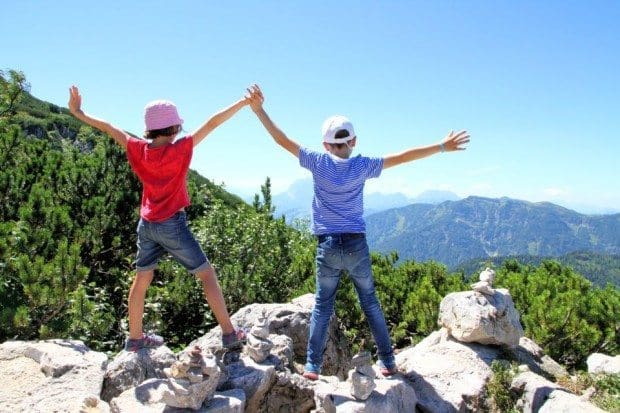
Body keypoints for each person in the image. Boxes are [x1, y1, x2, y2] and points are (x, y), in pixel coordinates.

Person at [247, 84, 469, 380]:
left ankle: (312, 367)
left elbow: (280, 139)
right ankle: (388, 362)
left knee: (322, 307)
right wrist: (442, 146)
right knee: (370, 303)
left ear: (325, 145)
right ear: (354, 141)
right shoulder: (363, 166)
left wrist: (259, 109)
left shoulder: (317, 161)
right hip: (356, 245)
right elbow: (404, 156)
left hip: (327, 246)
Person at [68, 85, 254, 352]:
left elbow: (109, 127)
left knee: (142, 278)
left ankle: (135, 339)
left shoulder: (137, 148)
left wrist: (78, 112)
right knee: (207, 275)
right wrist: (242, 102)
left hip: (147, 224)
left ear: (149, 128)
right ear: (175, 128)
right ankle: (229, 333)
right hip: (172, 224)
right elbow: (213, 122)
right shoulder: (180, 149)